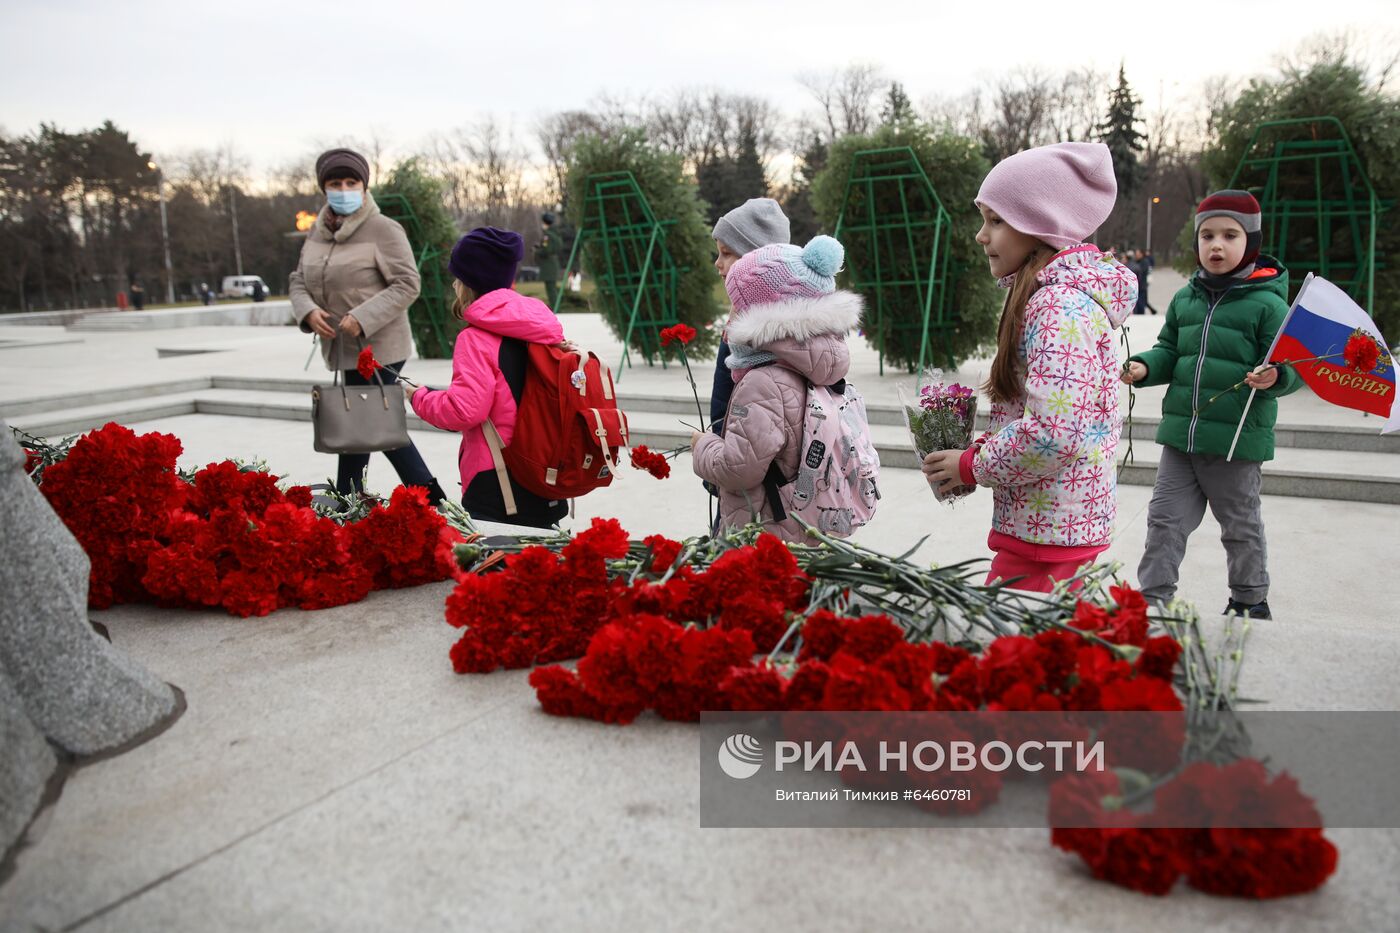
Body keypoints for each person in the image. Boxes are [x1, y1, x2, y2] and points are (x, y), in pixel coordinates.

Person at [921, 142, 1137, 592]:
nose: (982, 235)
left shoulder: (1058, 307)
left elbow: (1054, 433)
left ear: (1040, 226)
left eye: (996, 221)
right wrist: (974, 454)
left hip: (1048, 537)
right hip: (1050, 524)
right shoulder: (1051, 298)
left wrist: (973, 466)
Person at [1121, 190, 1301, 620]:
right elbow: (1170, 350)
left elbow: (1291, 366)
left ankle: (1249, 599)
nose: (1216, 245)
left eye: (1229, 235)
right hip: (1182, 439)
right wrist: (1145, 366)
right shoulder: (1186, 299)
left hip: (1236, 444)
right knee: (1163, 523)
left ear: (1250, 242)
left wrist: (1275, 375)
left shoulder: (1270, 305)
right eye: (1207, 235)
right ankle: (1153, 601)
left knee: (1240, 527)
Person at [289, 147, 446, 505]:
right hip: (340, 348)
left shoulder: (383, 229)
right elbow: (298, 280)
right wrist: (308, 311)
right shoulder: (316, 233)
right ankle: (349, 498)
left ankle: (430, 500)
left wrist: (363, 317)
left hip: (381, 347)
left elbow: (408, 283)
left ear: (363, 185)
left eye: (351, 181)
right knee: (360, 424)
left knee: (375, 422)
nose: (343, 188)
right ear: (323, 188)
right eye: (334, 182)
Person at [690, 235, 862, 543]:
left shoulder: (763, 382)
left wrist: (703, 445)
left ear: (759, 313)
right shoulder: (816, 368)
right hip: (803, 527)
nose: (730, 316)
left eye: (737, 305)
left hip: (763, 535)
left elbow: (739, 469)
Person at [403, 227, 569, 528]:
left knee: (496, 570)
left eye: (457, 277)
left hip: (499, 481)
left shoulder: (476, 338)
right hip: (547, 473)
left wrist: (419, 396)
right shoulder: (543, 329)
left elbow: (464, 410)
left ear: (470, 281)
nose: (454, 284)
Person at [709, 198, 792, 434]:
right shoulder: (738, 314)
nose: (717, 263)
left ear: (755, 261)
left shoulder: (770, 331)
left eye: (726, 253)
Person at [534, 212, 563, 310]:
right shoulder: (556, 234)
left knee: (550, 289)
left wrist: (537, 251)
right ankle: (556, 307)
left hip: (548, 265)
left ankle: (556, 309)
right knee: (552, 288)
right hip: (553, 263)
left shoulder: (547, 235)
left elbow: (546, 250)